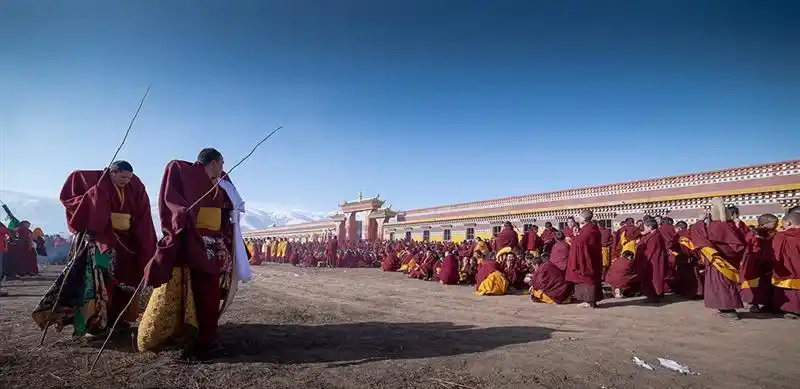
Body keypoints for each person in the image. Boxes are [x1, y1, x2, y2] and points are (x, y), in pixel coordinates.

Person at [138, 148, 249, 361]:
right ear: (214, 162)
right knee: (203, 292)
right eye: (221, 163)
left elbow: (229, 209)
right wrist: (183, 217)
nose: (223, 168)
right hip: (197, 241)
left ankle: (206, 334)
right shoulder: (184, 173)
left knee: (215, 291)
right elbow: (173, 203)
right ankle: (202, 339)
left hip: (217, 242)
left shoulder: (221, 182)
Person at [31, 160, 158, 338]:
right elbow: (72, 201)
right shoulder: (91, 180)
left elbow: (143, 213)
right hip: (100, 239)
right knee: (100, 281)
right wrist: (95, 195)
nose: (126, 181)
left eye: (128, 178)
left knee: (128, 279)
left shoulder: (135, 185)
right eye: (122, 177)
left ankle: (118, 319)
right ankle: (95, 322)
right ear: (112, 173)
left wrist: (145, 242)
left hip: (127, 241)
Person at [691, 198, 746, 319]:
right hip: (729, 262)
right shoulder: (731, 226)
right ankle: (725, 308)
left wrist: (699, 222)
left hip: (719, 263)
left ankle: (729, 310)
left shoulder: (717, 227)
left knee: (721, 286)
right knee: (726, 285)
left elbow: (700, 236)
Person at [739, 214, 778, 313]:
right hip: (755, 262)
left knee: (766, 284)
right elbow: (749, 247)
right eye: (775, 224)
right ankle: (753, 304)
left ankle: (767, 304)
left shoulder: (774, 233)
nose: (777, 225)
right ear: (765, 224)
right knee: (754, 284)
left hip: (769, 262)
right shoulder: (753, 233)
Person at [566, 210, 603, 308]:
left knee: (588, 279)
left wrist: (572, 239)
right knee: (591, 278)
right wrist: (576, 236)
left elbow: (580, 243)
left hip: (587, 259)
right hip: (592, 257)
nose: (578, 218)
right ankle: (590, 301)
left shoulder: (588, 230)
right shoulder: (592, 228)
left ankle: (590, 301)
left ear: (584, 218)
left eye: (579, 216)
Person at [530, 231, 573, 304]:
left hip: (556, 295)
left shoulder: (546, 266)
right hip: (566, 287)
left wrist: (533, 284)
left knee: (535, 293)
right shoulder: (567, 246)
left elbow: (538, 282)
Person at [771, 212, 800, 319]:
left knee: (790, 290)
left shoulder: (781, 236)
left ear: (788, 222)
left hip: (788, 269)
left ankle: (791, 310)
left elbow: (775, 254)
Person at [635, 218, 668, 302]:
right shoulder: (655, 235)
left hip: (653, 262)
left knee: (653, 279)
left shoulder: (654, 238)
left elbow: (649, 252)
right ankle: (656, 295)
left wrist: (645, 263)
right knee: (656, 278)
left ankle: (654, 297)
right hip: (656, 260)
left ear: (650, 227)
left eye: (645, 227)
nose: (644, 229)